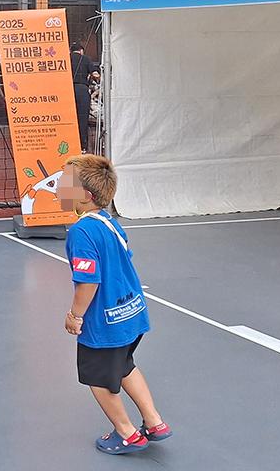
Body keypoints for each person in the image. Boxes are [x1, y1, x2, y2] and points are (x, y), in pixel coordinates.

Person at [60, 154, 172, 456]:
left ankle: (127, 434)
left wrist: (75, 315)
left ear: (84, 196)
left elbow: (89, 281)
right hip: (131, 314)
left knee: (98, 377)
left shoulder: (82, 231)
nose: (58, 185)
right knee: (124, 366)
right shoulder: (107, 222)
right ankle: (154, 422)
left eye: (64, 182)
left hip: (104, 323)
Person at [71, 43, 101, 153]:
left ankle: (70, 144)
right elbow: (95, 74)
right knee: (83, 118)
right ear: (81, 51)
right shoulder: (86, 59)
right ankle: (82, 147)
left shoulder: (66, 59)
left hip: (68, 90)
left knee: (69, 118)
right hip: (82, 89)